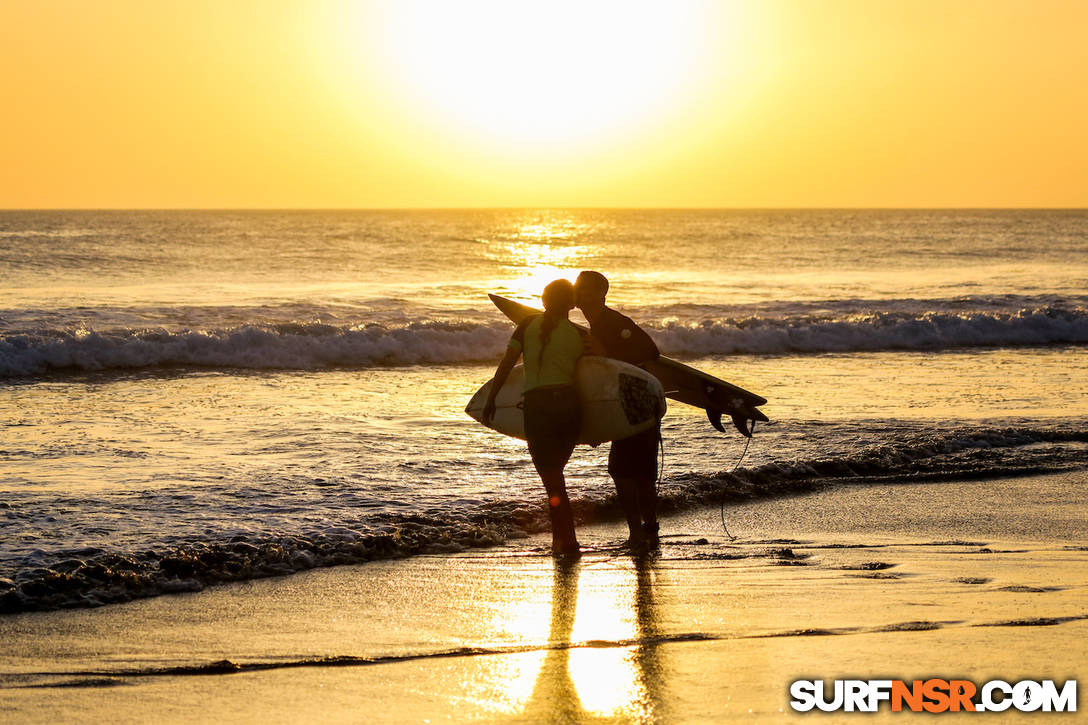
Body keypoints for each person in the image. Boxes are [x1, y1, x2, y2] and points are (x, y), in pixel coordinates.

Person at [483, 279, 585, 556]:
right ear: (572, 304)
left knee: (552, 479)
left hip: (539, 409)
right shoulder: (581, 337)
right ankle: (561, 539)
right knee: (555, 476)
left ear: (543, 301)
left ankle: (568, 541)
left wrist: (491, 399)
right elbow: (595, 377)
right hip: (569, 407)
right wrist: (595, 427)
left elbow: (507, 363)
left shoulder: (527, 325)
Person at [574, 270, 661, 547]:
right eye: (577, 288)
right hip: (629, 402)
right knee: (640, 471)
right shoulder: (598, 326)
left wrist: (606, 353)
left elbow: (650, 351)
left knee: (623, 471)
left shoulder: (614, 323)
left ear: (601, 294)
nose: (578, 293)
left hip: (637, 401)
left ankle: (638, 533)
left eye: (584, 289)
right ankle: (649, 530)